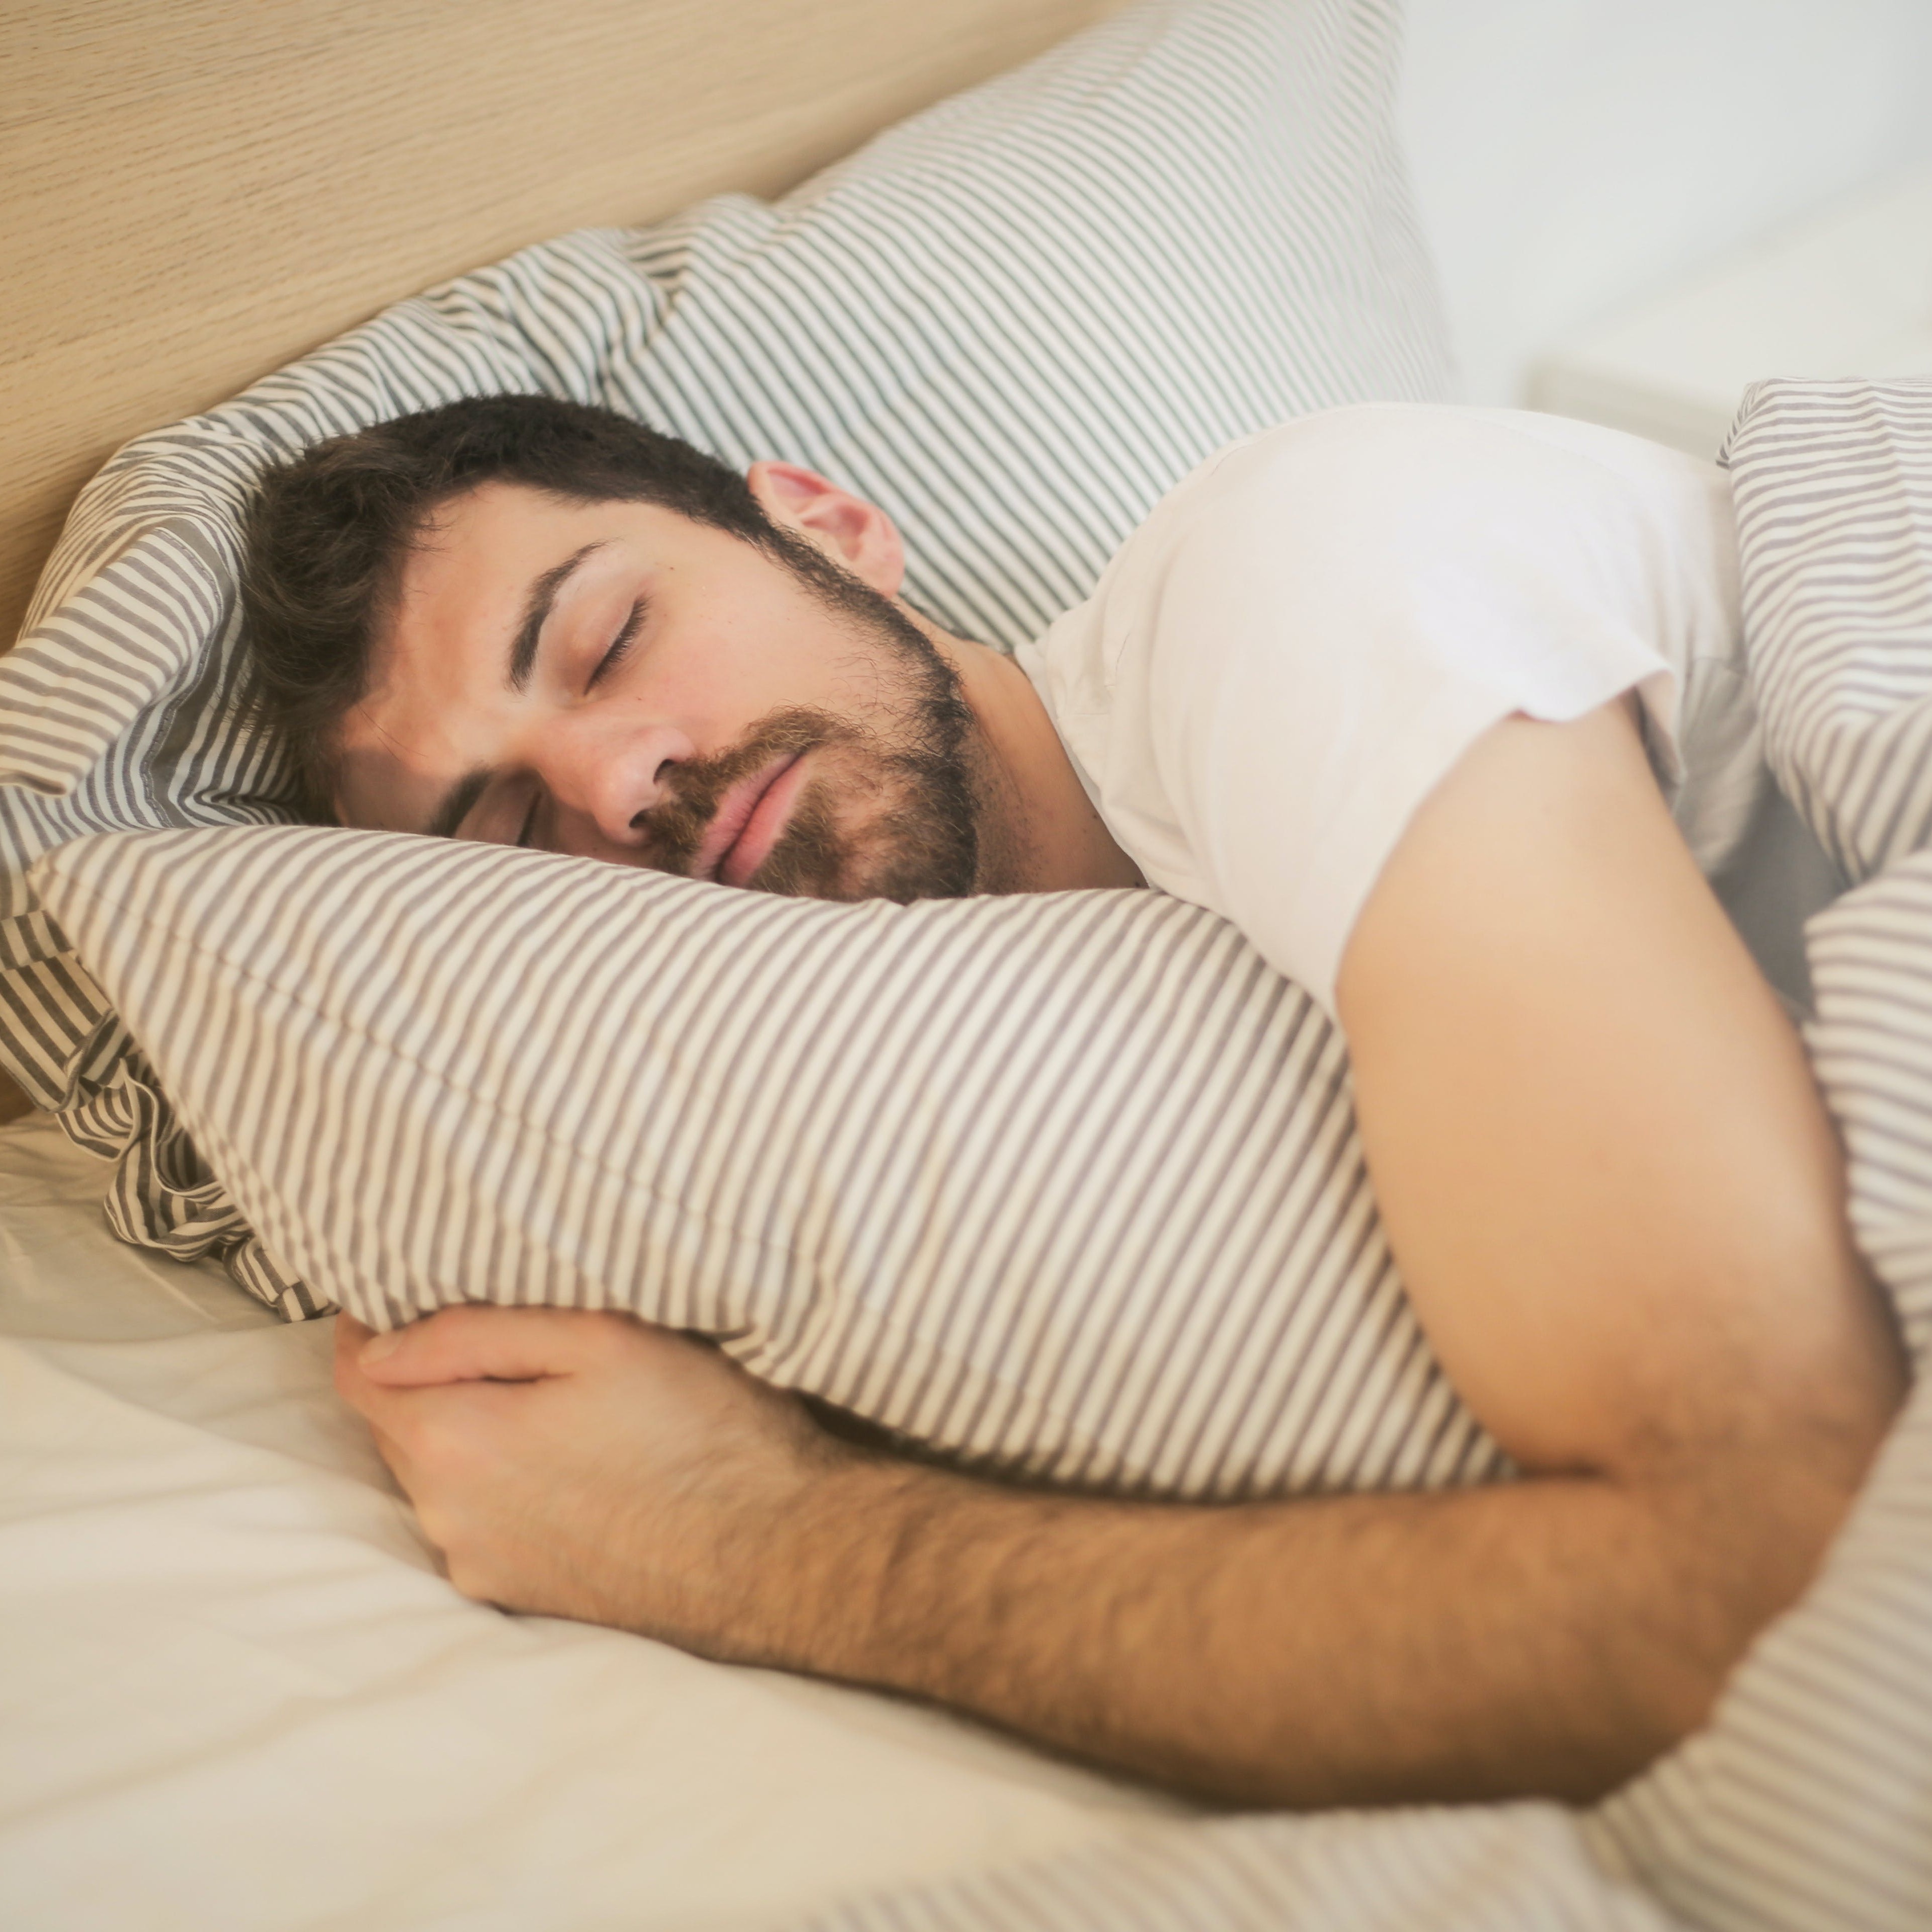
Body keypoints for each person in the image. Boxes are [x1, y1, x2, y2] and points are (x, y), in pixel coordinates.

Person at [244, 393, 1904, 1809]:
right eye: (516, 832)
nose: (615, 785)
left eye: (609, 638)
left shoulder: (1294, 589)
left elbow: (1773, 1582)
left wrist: (746, 1540)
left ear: (824, 526)